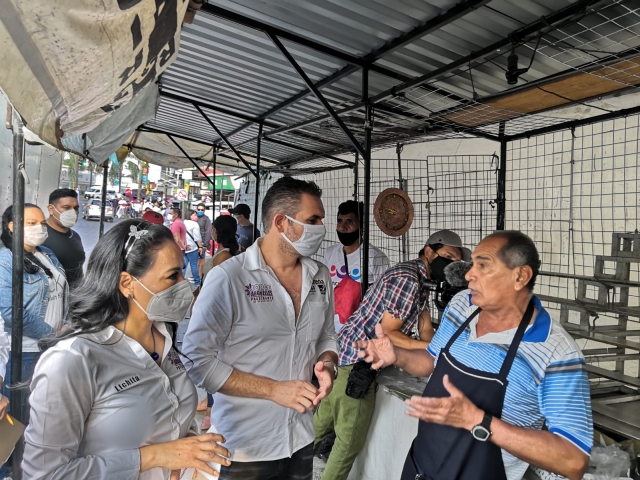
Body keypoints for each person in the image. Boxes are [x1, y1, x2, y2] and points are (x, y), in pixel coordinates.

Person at [355, 231, 593, 480]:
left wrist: (480, 421)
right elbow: (432, 362)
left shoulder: (555, 351)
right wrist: (397, 356)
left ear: (520, 276)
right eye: (472, 264)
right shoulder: (461, 305)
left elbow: (573, 460)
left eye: (483, 265)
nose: (468, 274)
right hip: (422, 467)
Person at [22, 219, 232, 479]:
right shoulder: (73, 360)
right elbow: (44, 475)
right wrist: (155, 456)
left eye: (181, 273)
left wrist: (189, 450)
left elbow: (174, 416)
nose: (184, 286)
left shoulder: (163, 339)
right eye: (172, 276)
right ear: (127, 283)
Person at [182, 176, 338, 480]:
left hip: (301, 437)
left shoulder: (320, 276)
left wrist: (328, 364)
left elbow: (327, 334)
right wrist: (273, 390)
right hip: (245, 447)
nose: (321, 227)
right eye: (313, 219)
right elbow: (196, 360)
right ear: (281, 222)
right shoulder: (230, 278)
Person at [314, 229, 470, 480]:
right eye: (448, 256)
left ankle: (287, 469)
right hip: (356, 363)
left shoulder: (421, 282)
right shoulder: (408, 279)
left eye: (456, 260)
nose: (451, 264)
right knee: (348, 442)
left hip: (344, 356)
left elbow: (426, 328)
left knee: (320, 425)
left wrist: (435, 347)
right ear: (429, 252)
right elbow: (389, 334)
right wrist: (436, 350)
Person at [0, 204, 69, 477]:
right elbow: (10, 310)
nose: (39, 228)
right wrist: (51, 333)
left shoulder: (45, 253)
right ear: (12, 226)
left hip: (53, 347)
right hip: (26, 351)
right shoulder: (5, 260)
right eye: (31, 222)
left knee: (42, 414)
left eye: (41, 222)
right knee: (17, 419)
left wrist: (66, 328)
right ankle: (9, 470)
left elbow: (62, 291)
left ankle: (30, 469)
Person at [199, 214, 241, 432]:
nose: (211, 231)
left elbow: (214, 290)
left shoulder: (224, 257)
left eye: (213, 228)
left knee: (212, 360)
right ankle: (209, 403)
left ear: (217, 231)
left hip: (216, 315)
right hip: (214, 313)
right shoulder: (224, 252)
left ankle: (211, 410)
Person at [323, 200, 390, 332]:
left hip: (360, 331)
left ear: (362, 227)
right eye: (340, 221)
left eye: (350, 222)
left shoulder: (375, 257)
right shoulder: (330, 253)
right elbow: (323, 286)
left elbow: (384, 297)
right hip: (331, 328)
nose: (342, 227)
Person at [43, 188, 86, 288]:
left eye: (75, 208)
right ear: (51, 209)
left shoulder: (75, 236)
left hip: (74, 298)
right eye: (66, 208)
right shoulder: (39, 236)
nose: (73, 212)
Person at [184, 210, 204, 289]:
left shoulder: (182, 222)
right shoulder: (194, 224)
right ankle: (197, 282)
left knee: (184, 266)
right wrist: (200, 247)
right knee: (193, 265)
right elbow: (197, 238)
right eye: (194, 215)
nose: (196, 217)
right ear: (190, 216)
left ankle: (181, 283)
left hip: (184, 247)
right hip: (192, 248)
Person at [195, 204, 213, 280]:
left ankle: (200, 277)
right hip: (193, 242)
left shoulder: (206, 219)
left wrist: (205, 244)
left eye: (202, 210)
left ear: (204, 210)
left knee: (201, 261)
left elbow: (208, 232)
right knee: (195, 262)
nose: (200, 211)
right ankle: (197, 276)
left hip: (202, 242)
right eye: (199, 209)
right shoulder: (193, 217)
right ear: (196, 209)